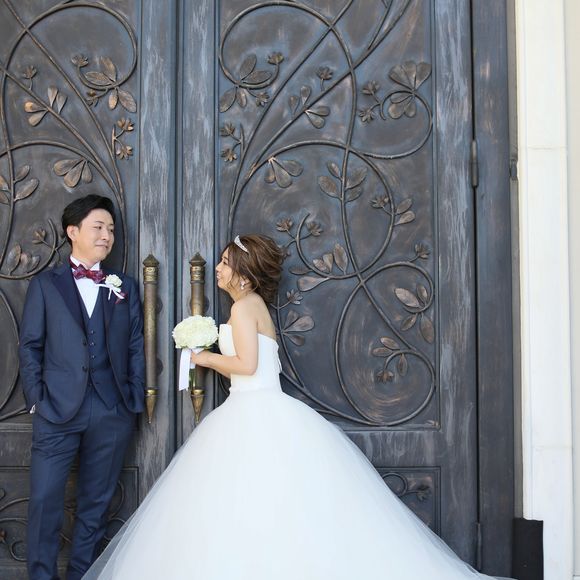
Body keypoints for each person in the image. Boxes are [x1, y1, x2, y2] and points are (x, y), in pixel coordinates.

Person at [84, 234, 498, 580]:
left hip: (251, 410)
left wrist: (204, 358)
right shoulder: (253, 307)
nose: (218, 269)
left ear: (244, 273)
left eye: (225, 263)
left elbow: (247, 365)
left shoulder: (243, 308)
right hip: (261, 408)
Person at [19, 194, 145, 580]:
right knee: (44, 502)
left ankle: (82, 575)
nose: (107, 236)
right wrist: (37, 400)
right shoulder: (46, 285)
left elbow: (136, 345)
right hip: (56, 410)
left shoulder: (124, 286)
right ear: (73, 231)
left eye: (111, 229)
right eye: (98, 227)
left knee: (95, 507)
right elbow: (30, 346)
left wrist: (132, 398)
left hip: (111, 410)